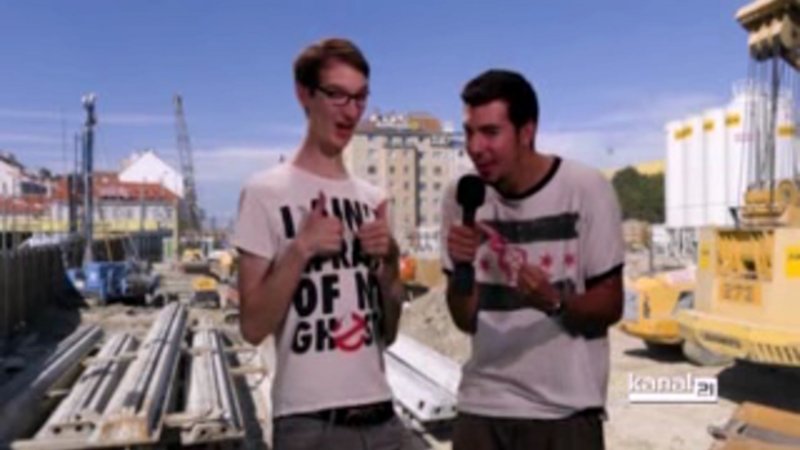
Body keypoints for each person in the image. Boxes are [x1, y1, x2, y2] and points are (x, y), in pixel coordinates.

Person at [233, 37, 419, 450]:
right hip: (310, 426)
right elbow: (252, 327)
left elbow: (387, 333)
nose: (351, 112)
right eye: (337, 94)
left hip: (383, 419)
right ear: (304, 94)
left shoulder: (373, 200)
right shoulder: (264, 193)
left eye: (360, 98)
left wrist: (390, 263)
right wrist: (300, 249)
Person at [440, 69, 625, 450]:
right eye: (469, 133)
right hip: (482, 407)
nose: (475, 147)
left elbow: (611, 304)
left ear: (527, 132)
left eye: (490, 132)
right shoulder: (462, 197)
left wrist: (553, 301)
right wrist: (462, 267)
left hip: (565, 414)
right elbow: (464, 320)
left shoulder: (586, 188)